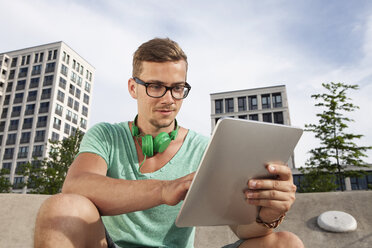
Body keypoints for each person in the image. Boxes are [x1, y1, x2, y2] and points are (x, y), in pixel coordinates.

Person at [34, 38, 304, 248]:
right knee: (61, 208)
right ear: (133, 88)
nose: (168, 99)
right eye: (155, 86)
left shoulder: (205, 148)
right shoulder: (106, 136)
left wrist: (268, 213)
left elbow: (243, 230)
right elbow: (76, 186)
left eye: (177, 88)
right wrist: (164, 189)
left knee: (286, 243)